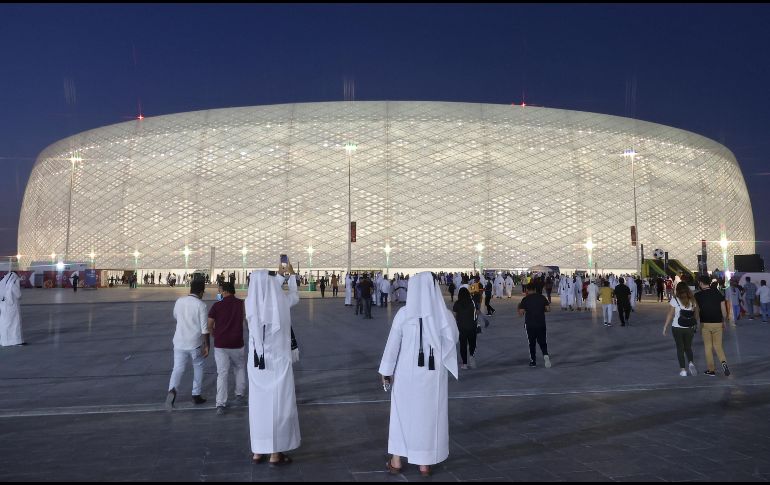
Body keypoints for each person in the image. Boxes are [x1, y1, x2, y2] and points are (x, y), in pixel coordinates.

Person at [379, 272, 459, 477]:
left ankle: (397, 460)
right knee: (429, 417)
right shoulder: (444, 315)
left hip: (406, 375)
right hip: (433, 376)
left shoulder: (404, 314)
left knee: (401, 416)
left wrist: (386, 372)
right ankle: (425, 463)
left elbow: (392, 345)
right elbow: (454, 339)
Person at [245, 265, 301, 466]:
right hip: (278, 365)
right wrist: (289, 276)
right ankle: (275, 453)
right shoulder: (281, 303)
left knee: (259, 407)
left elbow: (263, 289)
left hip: (257, 365)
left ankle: (258, 451)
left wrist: (278, 276)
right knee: (278, 406)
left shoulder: (250, 304)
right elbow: (293, 295)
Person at [166, 278, 210, 408]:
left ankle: (172, 390)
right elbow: (204, 329)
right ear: (202, 292)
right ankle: (196, 394)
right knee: (198, 366)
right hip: (194, 343)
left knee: (178, 368)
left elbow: (176, 316)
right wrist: (207, 345)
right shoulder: (201, 305)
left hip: (179, 341)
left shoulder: (179, 301)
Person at [207, 282, 247, 415]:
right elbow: (246, 321)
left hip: (221, 344)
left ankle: (220, 403)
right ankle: (240, 394)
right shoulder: (241, 304)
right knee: (240, 367)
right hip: (237, 343)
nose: (219, 293)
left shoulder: (217, 305)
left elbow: (210, 324)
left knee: (222, 373)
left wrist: (214, 334)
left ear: (224, 291)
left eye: (219, 291)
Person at [694, 275, 731, 377]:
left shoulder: (698, 295)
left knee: (708, 347)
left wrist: (695, 322)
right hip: (718, 323)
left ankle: (711, 370)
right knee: (718, 346)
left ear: (701, 283)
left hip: (705, 324)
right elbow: (723, 310)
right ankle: (723, 363)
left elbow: (697, 311)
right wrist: (724, 321)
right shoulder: (718, 293)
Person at [662, 282, 698, 377]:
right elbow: (695, 314)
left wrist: (665, 326)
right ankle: (691, 363)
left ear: (677, 290)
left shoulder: (675, 300)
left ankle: (683, 370)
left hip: (677, 327)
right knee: (688, 347)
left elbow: (670, 314)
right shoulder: (692, 300)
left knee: (680, 348)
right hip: (689, 327)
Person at [518, 283, 551, 367]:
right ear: (535, 289)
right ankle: (546, 356)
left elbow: (521, 313)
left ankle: (533, 361)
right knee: (543, 342)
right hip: (541, 323)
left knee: (532, 343)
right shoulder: (542, 297)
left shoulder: (525, 299)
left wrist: (519, 307)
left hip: (530, 325)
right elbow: (548, 309)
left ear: (527, 290)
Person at [453, 288, 477, 370]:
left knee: (463, 345)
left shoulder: (457, 303)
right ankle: (471, 357)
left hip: (462, 327)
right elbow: (476, 313)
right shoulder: (472, 302)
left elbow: (455, 316)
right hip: (472, 326)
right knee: (472, 344)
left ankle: (464, 364)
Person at [0, 272, 25, 346]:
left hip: (4, 308)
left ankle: (5, 341)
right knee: (14, 325)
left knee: (5, 324)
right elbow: (19, 295)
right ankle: (15, 341)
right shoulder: (12, 284)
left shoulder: (3, 284)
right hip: (12, 308)